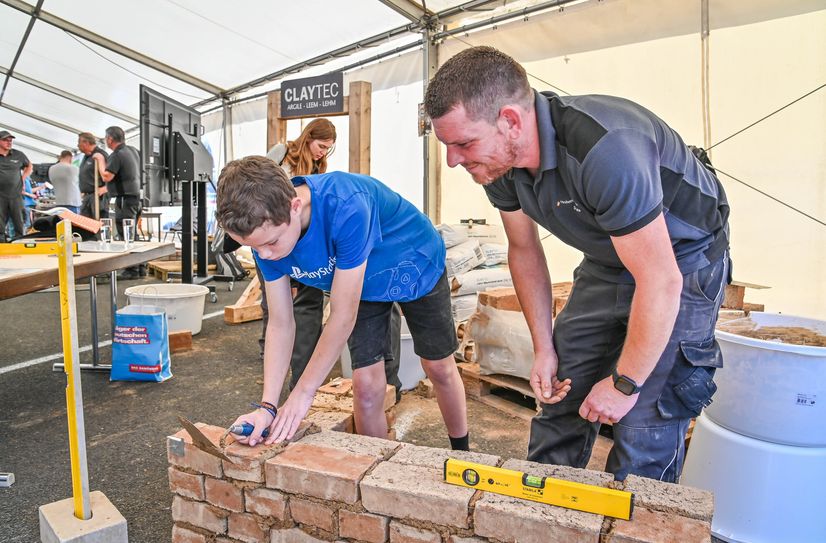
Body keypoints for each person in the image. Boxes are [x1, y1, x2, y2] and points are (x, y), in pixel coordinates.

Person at [425, 46, 731, 482]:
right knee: (559, 390)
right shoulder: (499, 165)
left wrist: (624, 383)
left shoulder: (606, 151)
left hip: (683, 263)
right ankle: (542, 511)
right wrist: (544, 348)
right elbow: (523, 250)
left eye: (463, 143)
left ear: (510, 120)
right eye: (447, 146)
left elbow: (661, 280)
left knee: (643, 419)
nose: (454, 160)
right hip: (608, 261)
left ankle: (633, 516)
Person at [216, 156, 469, 449]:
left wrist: (303, 393)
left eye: (271, 243)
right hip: (361, 282)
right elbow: (281, 322)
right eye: (254, 248)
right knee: (365, 386)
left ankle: (463, 453)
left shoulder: (347, 205)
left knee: (437, 366)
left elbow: (342, 315)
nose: (266, 255)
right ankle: (375, 472)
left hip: (414, 261)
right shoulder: (265, 235)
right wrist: (268, 406)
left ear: (294, 207)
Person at [263, 118, 403, 398]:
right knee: (299, 308)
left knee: (364, 303)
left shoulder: (324, 173)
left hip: (317, 244)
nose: (322, 153)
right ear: (308, 137)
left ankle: (386, 384)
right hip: (286, 241)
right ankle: (299, 381)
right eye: (320, 146)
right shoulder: (282, 157)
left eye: (328, 149)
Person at [93, 126, 145, 278]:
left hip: (125, 199)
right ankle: (140, 267)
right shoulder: (133, 151)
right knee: (133, 233)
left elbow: (107, 176)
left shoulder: (117, 154)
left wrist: (101, 160)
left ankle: (132, 270)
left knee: (126, 233)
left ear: (110, 139)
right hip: (137, 197)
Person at [0, 130, 32, 242]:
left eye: (10, 140)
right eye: (5, 140)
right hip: (0, 196)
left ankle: (19, 243)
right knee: (0, 225)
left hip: (16, 195)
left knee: (19, 223)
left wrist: (23, 179)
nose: (9, 142)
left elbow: (29, 166)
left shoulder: (18, 154)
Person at [77, 132, 109, 220]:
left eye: (79, 142)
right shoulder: (86, 156)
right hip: (88, 197)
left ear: (86, 143)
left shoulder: (101, 154)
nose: (77, 145)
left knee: (98, 224)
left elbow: (111, 175)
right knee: (85, 224)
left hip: (98, 197)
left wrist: (105, 188)